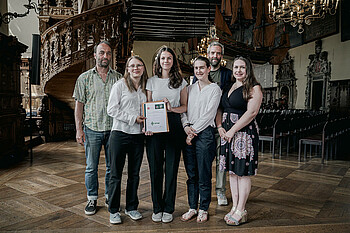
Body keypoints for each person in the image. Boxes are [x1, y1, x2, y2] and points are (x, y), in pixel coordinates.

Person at [73, 41, 122, 215]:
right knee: (91, 167)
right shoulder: (84, 78)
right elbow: (79, 106)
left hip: (113, 130)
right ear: (95, 55)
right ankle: (92, 199)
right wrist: (79, 129)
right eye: (102, 53)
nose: (105, 57)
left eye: (108, 53)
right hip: (92, 129)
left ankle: (110, 196)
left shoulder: (118, 78)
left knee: (112, 167)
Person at [216, 56, 262, 226]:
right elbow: (220, 108)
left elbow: (251, 113)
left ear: (248, 69)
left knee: (242, 173)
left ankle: (242, 209)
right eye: (236, 67)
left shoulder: (253, 87)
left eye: (242, 67)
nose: (238, 70)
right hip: (227, 133)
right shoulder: (229, 86)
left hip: (244, 134)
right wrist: (220, 127)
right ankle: (235, 206)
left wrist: (232, 131)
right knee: (232, 172)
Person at [145, 46, 187, 223]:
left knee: (171, 169)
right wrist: (147, 125)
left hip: (174, 125)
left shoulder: (181, 82)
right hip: (155, 126)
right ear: (158, 61)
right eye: (163, 58)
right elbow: (147, 105)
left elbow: (185, 107)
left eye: (169, 58)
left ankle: (168, 208)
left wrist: (171, 108)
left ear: (173, 61)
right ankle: (157, 207)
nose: (166, 61)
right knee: (155, 169)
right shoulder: (151, 82)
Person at [106, 56, 148, 224]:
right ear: (128, 69)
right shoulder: (119, 85)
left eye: (139, 65)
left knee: (134, 174)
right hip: (120, 134)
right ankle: (114, 210)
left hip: (138, 136)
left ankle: (131, 207)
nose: (135, 68)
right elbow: (111, 109)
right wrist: (132, 119)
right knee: (116, 174)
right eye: (132, 66)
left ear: (143, 68)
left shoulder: (146, 87)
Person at [180, 56, 221, 223]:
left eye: (202, 68)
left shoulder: (215, 89)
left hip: (205, 134)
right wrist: (185, 127)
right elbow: (183, 110)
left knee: (204, 173)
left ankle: (203, 208)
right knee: (191, 174)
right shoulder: (189, 89)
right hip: (189, 130)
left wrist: (193, 131)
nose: (198, 71)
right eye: (196, 68)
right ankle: (192, 207)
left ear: (208, 69)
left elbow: (209, 114)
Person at [193, 41, 232, 206]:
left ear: (221, 56)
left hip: (223, 124)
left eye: (218, 53)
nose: (215, 56)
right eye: (212, 53)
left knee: (221, 159)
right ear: (207, 55)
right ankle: (205, 192)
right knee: (205, 162)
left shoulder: (228, 74)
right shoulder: (198, 75)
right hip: (204, 125)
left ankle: (221, 191)